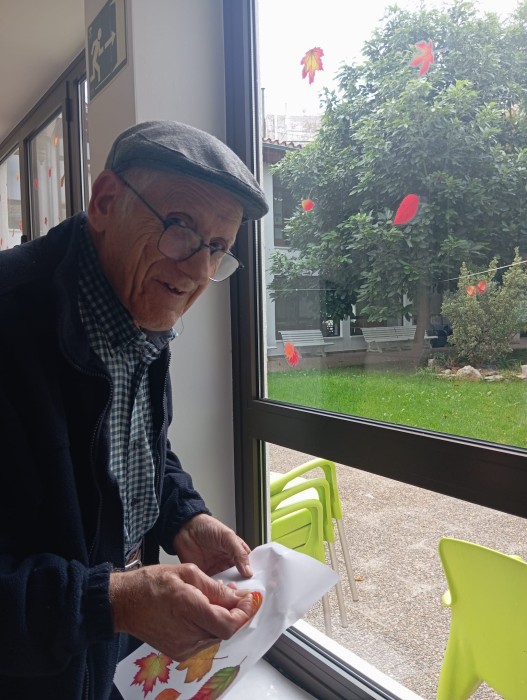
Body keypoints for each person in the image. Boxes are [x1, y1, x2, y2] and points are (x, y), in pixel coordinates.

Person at [0, 121, 269, 700]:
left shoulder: (141, 311)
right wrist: (114, 601)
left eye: (218, 248)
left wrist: (183, 517)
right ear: (104, 202)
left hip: (107, 658)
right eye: (180, 227)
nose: (198, 271)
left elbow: (134, 445)